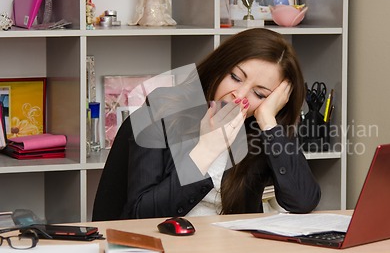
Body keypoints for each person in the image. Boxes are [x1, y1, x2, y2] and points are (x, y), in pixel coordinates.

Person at [93, 28, 321, 220]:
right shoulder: (161, 113)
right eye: (235, 77)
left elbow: (302, 201)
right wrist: (207, 150)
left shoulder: (260, 128)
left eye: (259, 94)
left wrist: (269, 123)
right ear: (220, 67)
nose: (238, 94)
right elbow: (140, 217)